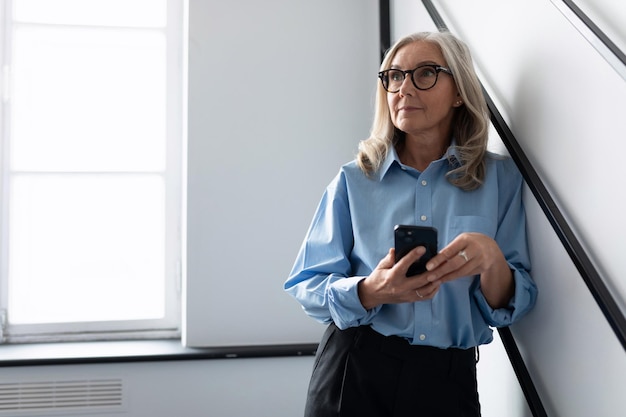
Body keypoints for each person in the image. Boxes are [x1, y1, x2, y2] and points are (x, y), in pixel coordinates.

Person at [284, 31, 537, 417]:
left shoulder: (500, 180)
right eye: (395, 76)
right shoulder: (355, 180)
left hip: (448, 381)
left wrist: (492, 260)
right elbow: (306, 285)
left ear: (459, 91)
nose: (404, 88)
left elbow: (512, 305)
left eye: (425, 74)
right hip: (355, 368)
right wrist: (370, 290)